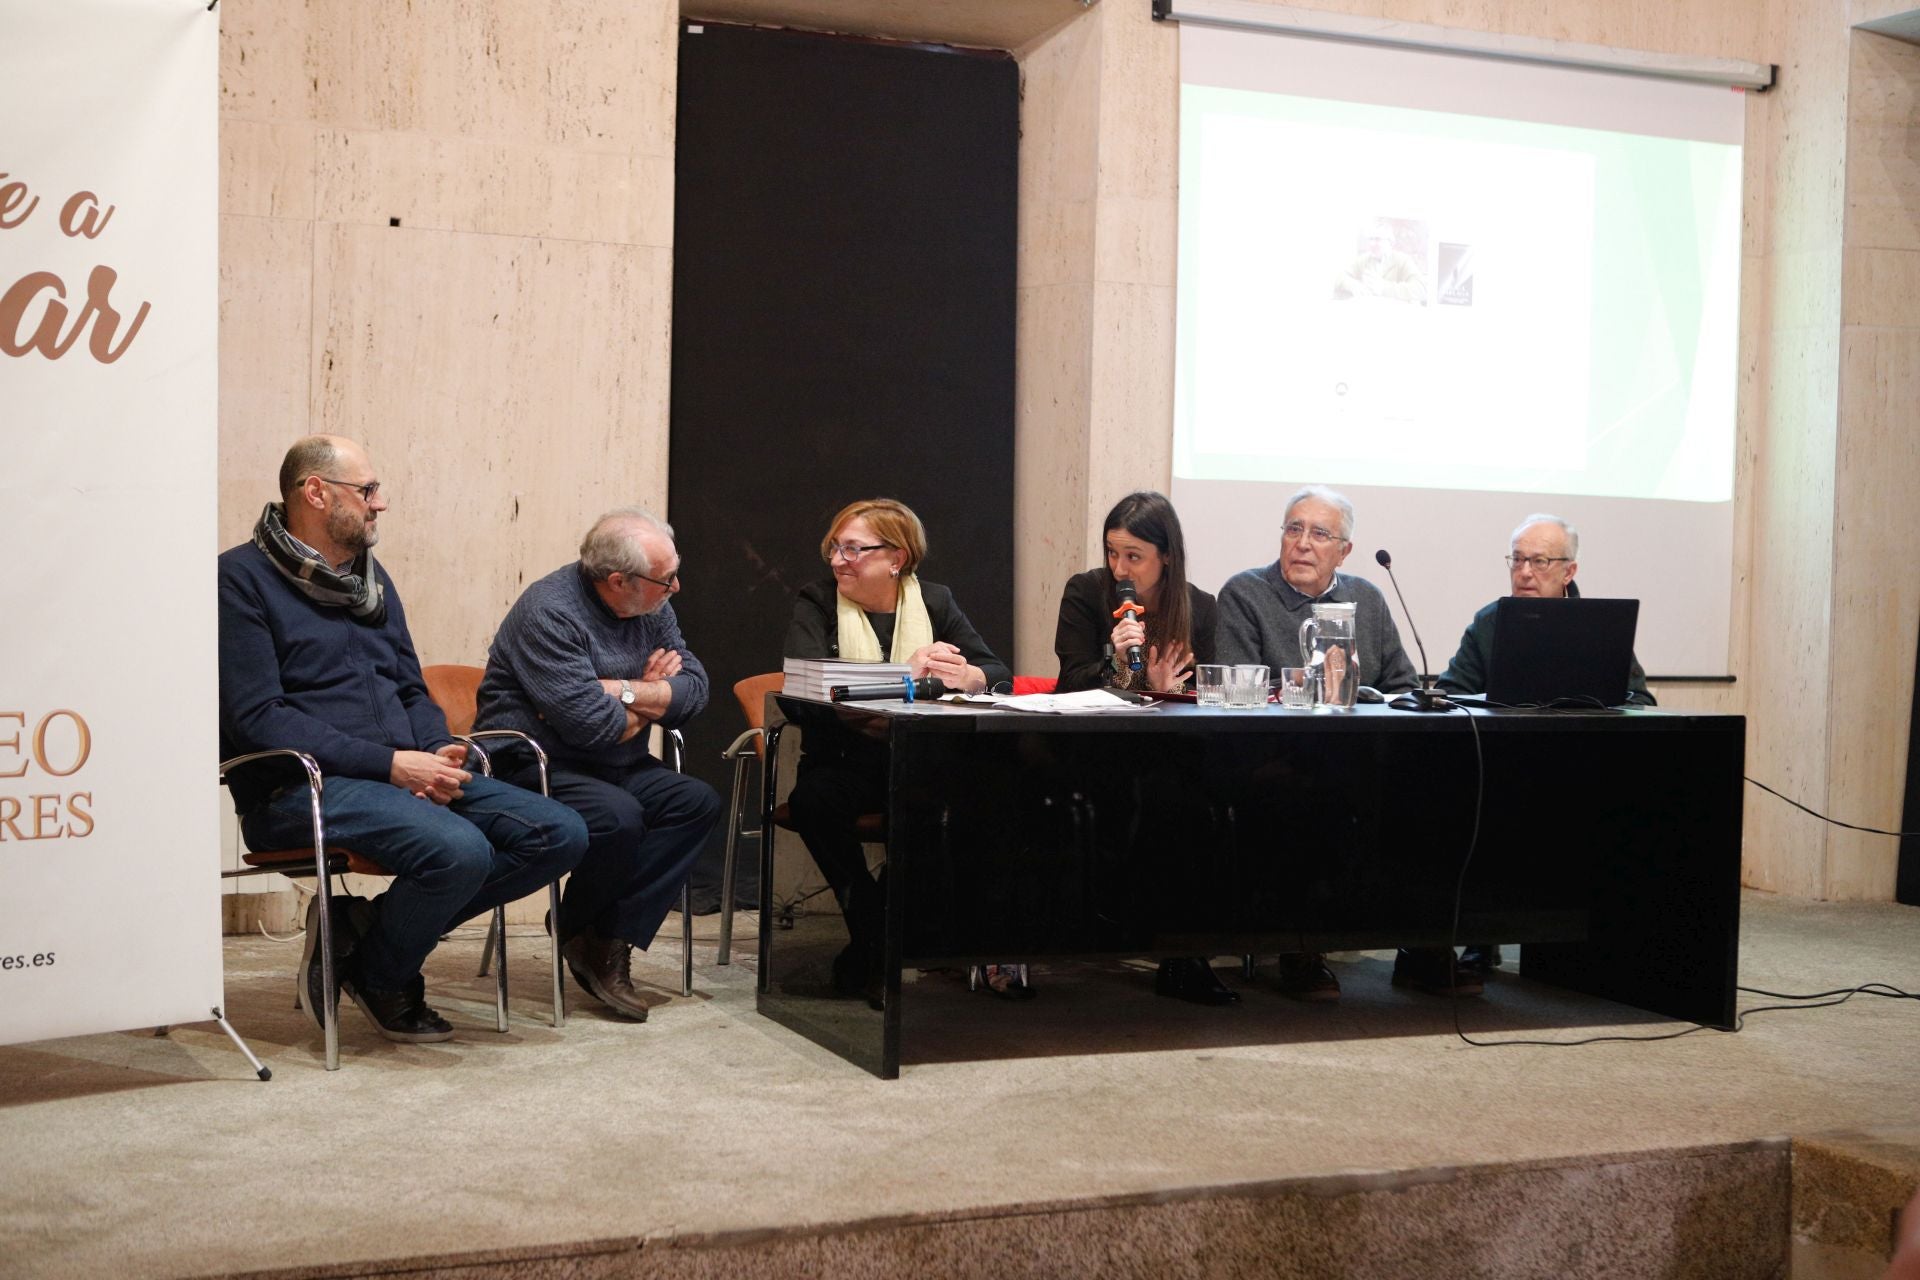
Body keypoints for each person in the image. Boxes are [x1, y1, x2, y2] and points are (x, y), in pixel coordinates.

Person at [219, 436, 589, 1044]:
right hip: (297, 788)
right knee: (462, 851)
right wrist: (392, 765)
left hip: (398, 772)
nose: (379, 503)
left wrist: (436, 747)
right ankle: (387, 975)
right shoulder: (240, 580)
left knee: (560, 833)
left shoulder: (369, 580)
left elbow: (410, 686)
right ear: (315, 492)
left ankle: (365, 937)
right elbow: (260, 717)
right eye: (366, 490)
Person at [475, 509, 722, 1022]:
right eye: (666, 579)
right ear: (617, 581)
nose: (676, 587)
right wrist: (652, 695)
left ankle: (601, 934)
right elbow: (592, 727)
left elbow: (695, 690)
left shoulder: (652, 605)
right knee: (618, 815)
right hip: (535, 762)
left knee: (694, 802)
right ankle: (589, 936)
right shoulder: (549, 612)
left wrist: (620, 691)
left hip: (615, 763)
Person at [1404, 513, 1657, 996]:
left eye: (1539, 561)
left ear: (1569, 571)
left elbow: (1641, 701)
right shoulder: (1491, 621)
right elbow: (1453, 693)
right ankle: (1480, 936)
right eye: (1517, 560)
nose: (1524, 573)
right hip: (1501, 767)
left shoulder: (1600, 626)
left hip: (1578, 770)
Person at [783, 498, 1013, 1001]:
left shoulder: (935, 601)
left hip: (918, 761)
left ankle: (877, 944)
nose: (839, 560)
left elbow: (998, 674)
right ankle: (875, 932)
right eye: (835, 548)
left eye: (854, 549)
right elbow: (804, 690)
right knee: (813, 803)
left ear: (897, 558)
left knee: (968, 805)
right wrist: (903, 676)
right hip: (843, 760)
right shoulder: (818, 600)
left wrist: (971, 676)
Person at [1217, 484, 1419, 1002]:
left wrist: (1365, 694)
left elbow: (1403, 686)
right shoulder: (1245, 594)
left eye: (1319, 533)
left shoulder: (1367, 599)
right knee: (1309, 795)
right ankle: (1300, 947)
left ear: (1344, 551)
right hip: (1273, 757)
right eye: (1294, 529)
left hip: (1359, 759)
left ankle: (1424, 945)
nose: (1303, 543)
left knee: (1430, 785)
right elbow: (1241, 690)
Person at [1054, 491, 1234, 1006]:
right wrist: (1121, 664)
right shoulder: (1087, 593)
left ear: (1167, 556)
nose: (1119, 567)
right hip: (1097, 748)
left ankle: (1185, 952)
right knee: (1161, 800)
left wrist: (1169, 688)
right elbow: (1071, 682)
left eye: (1133, 556)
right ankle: (1153, 941)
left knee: (1200, 799)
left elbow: (1209, 688)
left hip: (1172, 748)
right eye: (1112, 553)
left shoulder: (1199, 606)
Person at [1333, 219, 1427, 304]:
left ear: (1390, 242)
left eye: (1378, 239)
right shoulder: (1364, 259)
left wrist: (1384, 288)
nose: (1372, 244)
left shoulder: (1403, 260)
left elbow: (1421, 289)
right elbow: (1339, 276)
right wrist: (1352, 284)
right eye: (1371, 239)